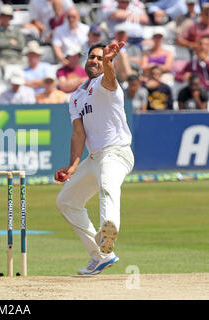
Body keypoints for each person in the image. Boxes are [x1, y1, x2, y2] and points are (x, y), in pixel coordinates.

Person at [54, 42, 134, 275]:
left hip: (117, 152)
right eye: (92, 57)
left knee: (108, 187)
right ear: (85, 60)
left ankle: (109, 230)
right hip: (94, 157)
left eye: (100, 58)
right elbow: (79, 134)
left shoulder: (106, 83)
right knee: (66, 201)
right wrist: (72, 166)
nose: (95, 61)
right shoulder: (77, 96)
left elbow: (109, 77)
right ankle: (101, 255)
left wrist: (109, 62)